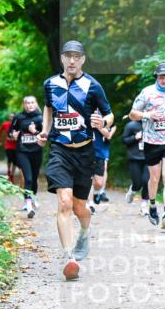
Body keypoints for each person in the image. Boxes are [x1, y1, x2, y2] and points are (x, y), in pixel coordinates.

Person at [37, 40, 114, 280]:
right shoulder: (50, 84)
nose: (72, 60)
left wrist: (104, 123)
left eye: (76, 56)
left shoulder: (92, 86)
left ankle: (84, 231)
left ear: (83, 59)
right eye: (67, 56)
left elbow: (109, 113)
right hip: (60, 150)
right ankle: (69, 257)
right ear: (62, 58)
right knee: (65, 203)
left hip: (84, 152)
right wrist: (44, 130)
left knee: (81, 208)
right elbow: (48, 108)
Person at [129, 63, 165, 230]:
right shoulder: (147, 93)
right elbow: (132, 114)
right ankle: (152, 205)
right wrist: (147, 114)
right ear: (156, 77)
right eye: (161, 77)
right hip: (152, 141)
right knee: (154, 178)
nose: (163, 80)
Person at [9, 95, 44, 218]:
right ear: (24, 105)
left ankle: (32, 198)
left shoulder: (41, 118)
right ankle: (28, 205)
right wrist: (13, 135)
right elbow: (10, 132)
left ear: (36, 104)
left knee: (34, 179)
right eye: (27, 103)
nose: (30, 105)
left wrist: (34, 131)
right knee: (28, 178)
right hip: (22, 151)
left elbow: (45, 136)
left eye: (32, 102)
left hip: (36, 152)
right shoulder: (18, 118)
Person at [122, 115, 148, 213]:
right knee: (137, 183)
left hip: (149, 158)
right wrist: (135, 137)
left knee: (146, 181)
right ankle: (133, 190)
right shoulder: (131, 125)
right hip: (134, 158)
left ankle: (144, 205)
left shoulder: (152, 126)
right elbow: (124, 140)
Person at [91, 120, 116, 206]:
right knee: (88, 175)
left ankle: (99, 191)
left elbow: (113, 126)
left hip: (102, 147)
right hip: (87, 148)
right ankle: (90, 203)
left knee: (101, 174)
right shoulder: (84, 109)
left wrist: (109, 134)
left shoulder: (104, 111)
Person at [0, 113, 21, 188]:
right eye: (10, 116)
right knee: (9, 159)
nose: (12, 118)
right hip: (8, 145)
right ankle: (8, 171)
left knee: (15, 161)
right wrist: (0, 140)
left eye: (13, 116)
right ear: (8, 117)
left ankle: (12, 174)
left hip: (16, 146)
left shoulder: (18, 124)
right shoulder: (5, 124)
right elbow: (0, 131)